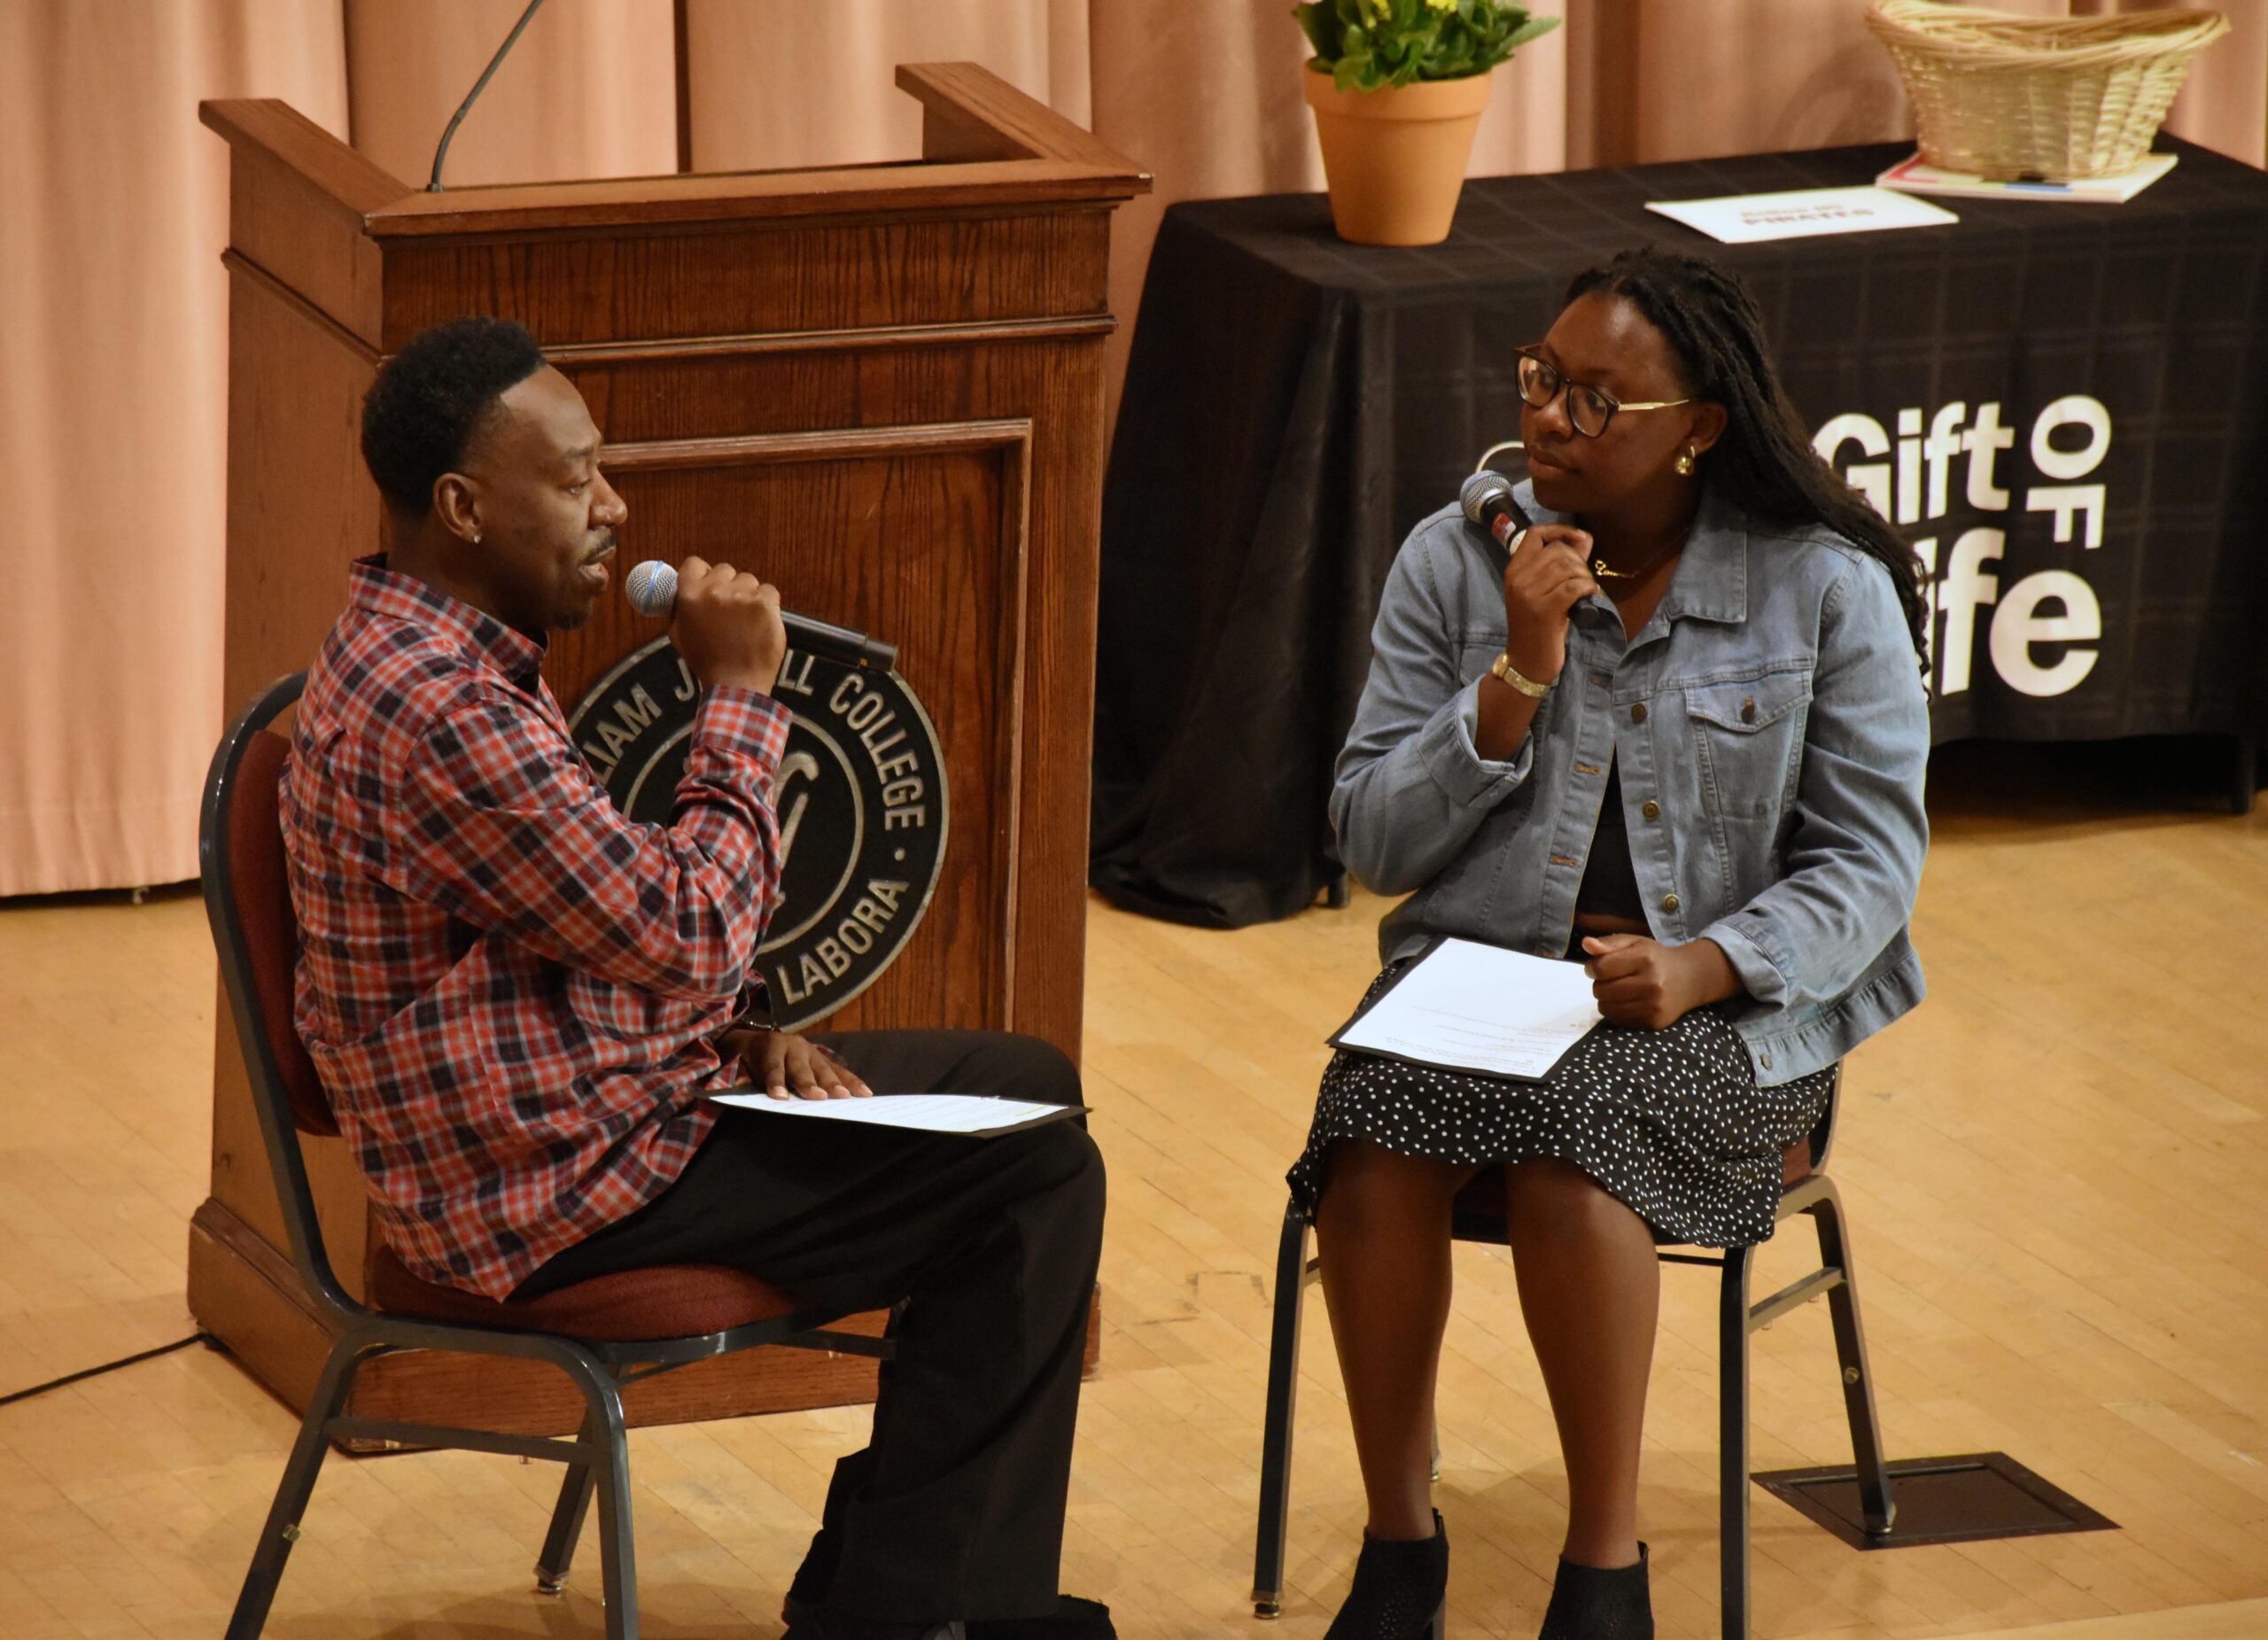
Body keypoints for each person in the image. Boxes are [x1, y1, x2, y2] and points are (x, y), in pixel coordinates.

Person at [279, 315, 1110, 1640]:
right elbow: (678, 927)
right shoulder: (444, 710)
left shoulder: (429, 653)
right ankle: (919, 1610)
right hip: (546, 1195)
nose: (614, 510)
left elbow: (588, 927)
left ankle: (914, 1598)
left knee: (1026, 1089)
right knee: (1033, 1167)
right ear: (463, 506)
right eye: (575, 479)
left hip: (573, 1117)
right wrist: (739, 695)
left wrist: (736, 1034)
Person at [1292, 248, 1930, 1640]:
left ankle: (1603, 1572)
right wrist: (1515, 675)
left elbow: (1875, 864)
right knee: (1371, 1134)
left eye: (1599, 401)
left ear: (1698, 426)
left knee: (1575, 1152)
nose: (1553, 424)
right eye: (1543, 383)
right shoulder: (1454, 562)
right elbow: (1371, 840)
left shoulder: (1820, 587)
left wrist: (1699, 966)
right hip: (1479, 998)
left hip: (1726, 1024)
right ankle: (1401, 1548)